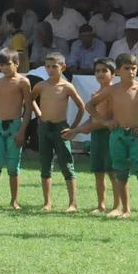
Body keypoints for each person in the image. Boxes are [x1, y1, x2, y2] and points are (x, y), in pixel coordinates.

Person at [87, 54, 138, 220]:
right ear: (118, 71)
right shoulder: (112, 89)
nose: (131, 72)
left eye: (133, 68)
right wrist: (105, 121)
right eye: (126, 68)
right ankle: (125, 209)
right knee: (120, 171)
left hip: (136, 134)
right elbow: (90, 105)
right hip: (117, 135)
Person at [63, 57, 118, 214]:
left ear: (113, 74)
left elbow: (106, 121)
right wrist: (76, 129)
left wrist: (78, 130)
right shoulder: (96, 94)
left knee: (112, 172)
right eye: (97, 71)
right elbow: (93, 119)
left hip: (110, 135)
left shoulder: (114, 93)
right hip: (97, 136)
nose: (100, 74)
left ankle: (117, 206)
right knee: (98, 172)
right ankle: (101, 205)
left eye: (104, 71)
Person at [32, 53, 85, 212]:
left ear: (63, 67)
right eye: (47, 66)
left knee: (66, 164)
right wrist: (39, 114)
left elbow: (81, 107)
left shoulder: (67, 86)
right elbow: (30, 99)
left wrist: (73, 128)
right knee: (45, 165)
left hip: (60, 128)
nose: (50, 70)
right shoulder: (41, 85)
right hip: (44, 127)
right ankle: (47, 203)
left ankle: (72, 203)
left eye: (54, 66)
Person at [0, 49, 31, 211]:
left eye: (8, 64)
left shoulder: (23, 82)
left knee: (13, 166)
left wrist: (22, 131)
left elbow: (28, 109)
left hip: (14, 125)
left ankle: (14, 201)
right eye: (1, 64)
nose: (4, 68)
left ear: (17, 64)